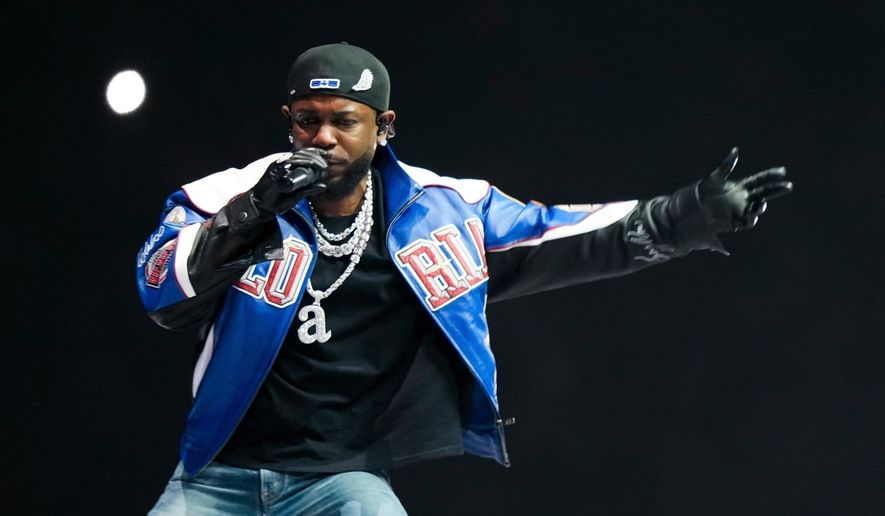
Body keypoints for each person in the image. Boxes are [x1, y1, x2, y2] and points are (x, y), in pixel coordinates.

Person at [136, 42, 793, 515]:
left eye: (344, 121)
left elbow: (555, 232)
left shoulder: (445, 212)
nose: (324, 137)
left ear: (383, 127)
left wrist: (682, 215)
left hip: (338, 481)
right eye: (308, 120)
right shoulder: (227, 194)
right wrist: (251, 213)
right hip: (216, 476)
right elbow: (159, 289)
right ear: (289, 121)